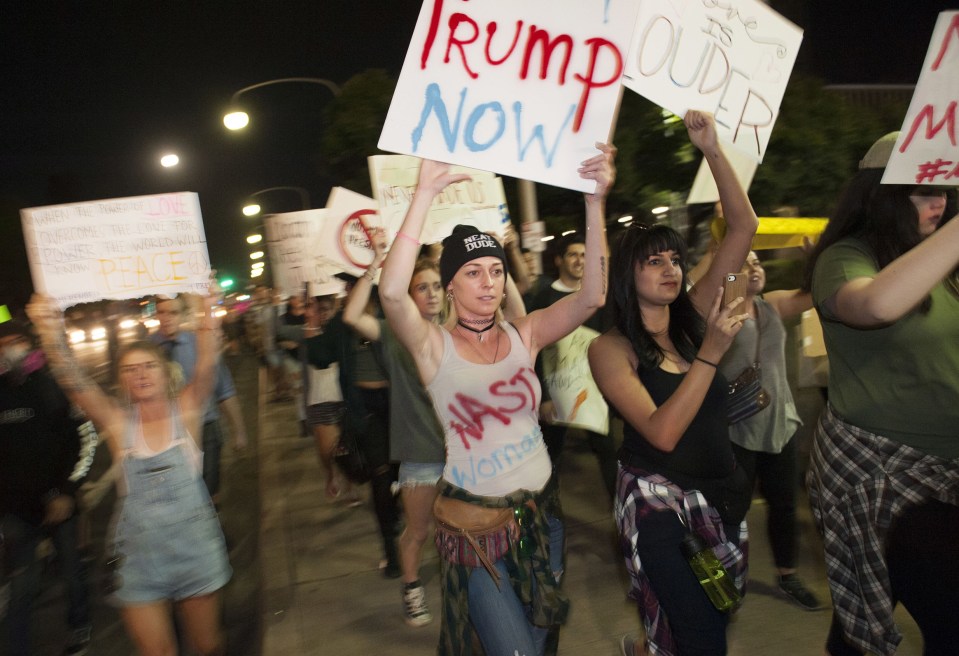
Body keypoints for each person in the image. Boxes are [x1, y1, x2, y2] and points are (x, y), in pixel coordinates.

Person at [378, 144, 613, 656]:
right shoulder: (432, 347)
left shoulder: (525, 333)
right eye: (473, 272)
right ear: (449, 286)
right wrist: (424, 194)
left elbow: (592, 296)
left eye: (496, 269)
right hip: (477, 532)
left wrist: (595, 203)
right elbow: (392, 294)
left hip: (543, 517)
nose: (488, 282)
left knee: (541, 639)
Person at [588, 110, 758, 656]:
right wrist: (709, 356)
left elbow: (743, 227)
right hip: (658, 507)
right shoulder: (609, 349)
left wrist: (710, 148)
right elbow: (661, 433)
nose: (670, 269)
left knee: (701, 626)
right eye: (653, 261)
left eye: (675, 259)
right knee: (705, 640)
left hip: (722, 499)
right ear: (627, 276)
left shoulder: (694, 314)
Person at [802, 132, 959, 656]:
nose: (939, 201)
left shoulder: (940, 264)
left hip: (945, 469)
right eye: (921, 191)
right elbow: (875, 306)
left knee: (866, 610)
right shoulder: (846, 257)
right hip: (884, 477)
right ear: (881, 195)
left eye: (944, 189)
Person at [27, 289, 232, 656]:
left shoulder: (186, 412)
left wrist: (207, 305)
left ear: (163, 369)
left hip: (195, 553)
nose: (140, 375)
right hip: (140, 562)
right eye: (130, 369)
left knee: (209, 647)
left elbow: (205, 364)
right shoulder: (119, 424)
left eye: (148, 366)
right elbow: (75, 383)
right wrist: (49, 331)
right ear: (122, 379)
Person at [343, 225, 527, 628]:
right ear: (408, 296)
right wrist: (375, 263)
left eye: (433, 285)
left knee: (476, 531)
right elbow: (353, 315)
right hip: (421, 454)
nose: (427, 293)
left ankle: (477, 595)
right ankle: (411, 587)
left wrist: (499, 258)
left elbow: (518, 318)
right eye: (419, 287)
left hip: (470, 455)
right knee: (419, 531)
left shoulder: (464, 326)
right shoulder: (394, 335)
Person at [716, 250, 821, 610]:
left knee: (786, 505)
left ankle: (788, 574)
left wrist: (817, 258)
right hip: (738, 427)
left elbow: (814, 294)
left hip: (781, 422)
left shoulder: (771, 304)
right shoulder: (727, 308)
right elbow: (731, 294)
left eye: (758, 262)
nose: (753, 267)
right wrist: (733, 259)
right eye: (745, 262)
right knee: (734, 507)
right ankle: (727, 576)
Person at [0, 318, 94, 656]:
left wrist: (67, 492)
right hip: (15, 514)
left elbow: (85, 439)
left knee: (71, 571)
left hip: (60, 505)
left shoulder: (52, 386)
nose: (9, 350)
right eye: (3, 344)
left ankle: (80, 623)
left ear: (29, 345)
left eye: (16, 342)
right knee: (21, 586)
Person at [304, 282, 401, 578]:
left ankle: (398, 516)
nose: (349, 290)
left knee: (403, 477)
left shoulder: (393, 310)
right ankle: (391, 549)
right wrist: (310, 320)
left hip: (400, 406)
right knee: (381, 476)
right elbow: (320, 356)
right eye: (348, 285)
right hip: (365, 410)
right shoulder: (342, 321)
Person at [528, 231, 617, 499]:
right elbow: (534, 350)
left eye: (584, 255)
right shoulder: (543, 297)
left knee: (608, 453)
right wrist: (542, 396)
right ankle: (545, 514)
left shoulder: (598, 297)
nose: (579, 260)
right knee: (549, 457)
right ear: (559, 260)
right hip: (556, 392)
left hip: (595, 392)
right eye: (573, 255)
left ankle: (623, 514)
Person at [153, 295, 248, 503]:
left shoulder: (200, 345)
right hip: (168, 435)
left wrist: (239, 431)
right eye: (161, 312)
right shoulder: (150, 349)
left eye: (173, 312)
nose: (166, 318)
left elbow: (225, 390)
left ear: (184, 315)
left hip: (206, 428)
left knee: (208, 493)